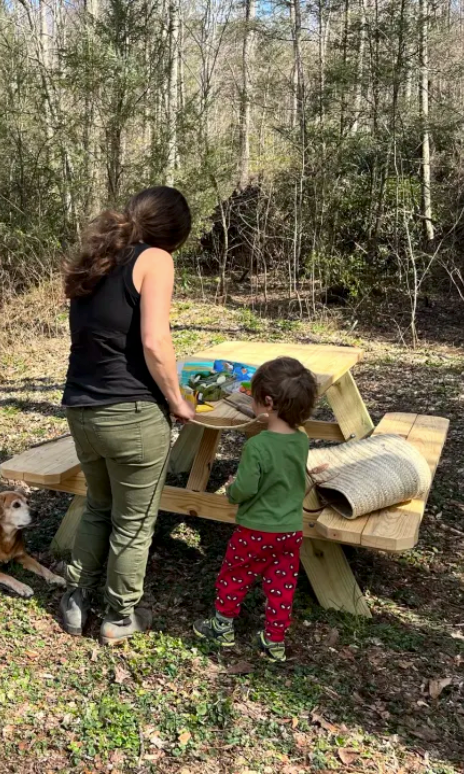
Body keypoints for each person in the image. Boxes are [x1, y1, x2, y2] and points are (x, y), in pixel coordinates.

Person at [58, 186, 197, 647]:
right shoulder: (156, 259)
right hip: (132, 413)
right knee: (134, 522)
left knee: (99, 505)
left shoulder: (98, 260)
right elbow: (155, 342)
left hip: (81, 408)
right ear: (174, 232)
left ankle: (75, 599)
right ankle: (120, 616)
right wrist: (177, 400)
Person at [194, 356, 319, 663]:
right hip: (290, 531)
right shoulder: (301, 440)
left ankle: (222, 626)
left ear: (267, 401)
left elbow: (246, 488)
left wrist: (233, 490)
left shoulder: (258, 446)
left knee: (234, 574)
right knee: (281, 584)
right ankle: (274, 639)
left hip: (255, 530)